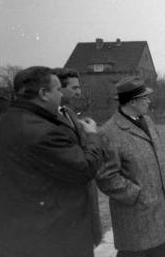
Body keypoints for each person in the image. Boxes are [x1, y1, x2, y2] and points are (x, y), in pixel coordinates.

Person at [0, 66, 105, 257]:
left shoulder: (6, 121)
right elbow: (85, 168)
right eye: (57, 90)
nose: (60, 96)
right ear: (43, 93)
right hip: (55, 236)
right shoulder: (43, 131)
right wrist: (92, 137)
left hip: (21, 231)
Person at [97, 76, 165, 257]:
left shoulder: (147, 120)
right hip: (136, 221)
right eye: (145, 98)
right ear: (133, 101)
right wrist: (138, 195)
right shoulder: (109, 133)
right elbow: (106, 178)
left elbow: (159, 150)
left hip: (162, 215)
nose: (149, 100)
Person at [54, 67, 103, 246]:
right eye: (74, 88)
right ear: (58, 88)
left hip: (83, 197)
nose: (79, 92)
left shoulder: (69, 113)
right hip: (68, 203)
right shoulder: (50, 119)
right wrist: (92, 135)